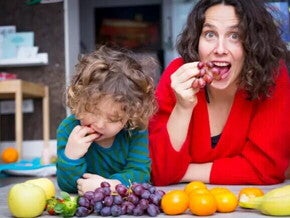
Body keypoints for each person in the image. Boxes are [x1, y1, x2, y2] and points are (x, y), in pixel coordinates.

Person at [149, 0, 290, 186]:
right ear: (196, 40)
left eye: (235, 35)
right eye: (210, 34)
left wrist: (183, 172)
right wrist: (183, 107)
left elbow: (266, 169)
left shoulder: (271, 77)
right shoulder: (179, 77)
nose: (220, 50)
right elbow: (161, 172)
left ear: (254, 44)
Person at [56, 45, 157, 195]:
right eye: (93, 112)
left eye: (114, 119)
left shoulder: (135, 128)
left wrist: (110, 186)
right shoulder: (68, 129)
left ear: (130, 115)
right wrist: (71, 157)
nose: (100, 124)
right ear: (79, 102)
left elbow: (141, 174)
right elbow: (67, 187)